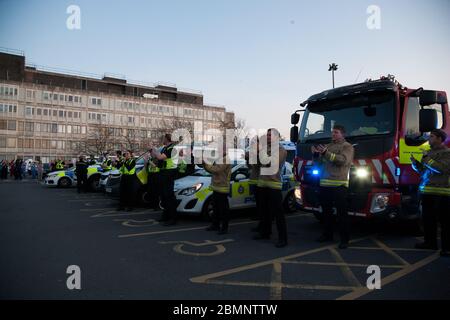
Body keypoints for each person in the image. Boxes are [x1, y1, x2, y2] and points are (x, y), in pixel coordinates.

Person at [313, 125, 354, 249]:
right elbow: (319, 163)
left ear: (343, 134)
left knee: (342, 214)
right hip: (325, 183)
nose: (333, 134)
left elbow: (343, 161)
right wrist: (316, 155)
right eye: (333, 132)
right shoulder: (328, 146)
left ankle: (344, 240)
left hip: (339, 184)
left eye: (336, 132)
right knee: (326, 213)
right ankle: (327, 234)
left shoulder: (347, 146)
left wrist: (326, 153)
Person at [411, 129, 450, 257]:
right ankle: (430, 243)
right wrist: (415, 164)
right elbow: (423, 171)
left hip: (442, 192)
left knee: (445, 222)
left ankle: (447, 248)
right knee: (428, 220)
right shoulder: (427, 153)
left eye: (432, 136)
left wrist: (427, 158)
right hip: (427, 191)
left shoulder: (447, 152)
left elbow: (441, 169)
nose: (429, 139)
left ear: (439, 139)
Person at [254, 129, 288, 248]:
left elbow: (270, 163)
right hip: (262, 184)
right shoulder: (266, 148)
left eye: (270, 135)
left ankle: (283, 238)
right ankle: (265, 233)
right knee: (264, 212)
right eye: (267, 135)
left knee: (278, 213)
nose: (267, 137)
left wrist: (261, 151)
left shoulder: (280, 150)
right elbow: (258, 165)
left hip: (274, 185)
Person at [203, 147, 232, 235]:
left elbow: (216, 170)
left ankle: (224, 228)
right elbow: (212, 170)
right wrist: (205, 165)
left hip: (222, 187)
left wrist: (206, 164)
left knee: (223, 210)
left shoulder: (225, 159)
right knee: (216, 208)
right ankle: (215, 225)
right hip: (216, 187)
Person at [151, 134, 178, 226]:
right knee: (163, 196)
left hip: (169, 173)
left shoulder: (172, 148)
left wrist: (154, 150)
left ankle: (172, 218)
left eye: (163, 138)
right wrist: (153, 155)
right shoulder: (165, 148)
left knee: (169, 196)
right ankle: (165, 216)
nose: (162, 140)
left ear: (167, 139)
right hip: (164, 172)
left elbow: (160, 157)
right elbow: (159, 161)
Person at [246, 136, 262, 232]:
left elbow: (259, 165)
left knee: (262, 203)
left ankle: (263, 221)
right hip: (254, 180)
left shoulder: (261, 153)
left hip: (260, 181)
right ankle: (259, 217)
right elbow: (251, 167)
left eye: (254, 143)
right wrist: (247, 160)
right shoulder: (254, 154)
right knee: (258, 202)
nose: (252, 145)